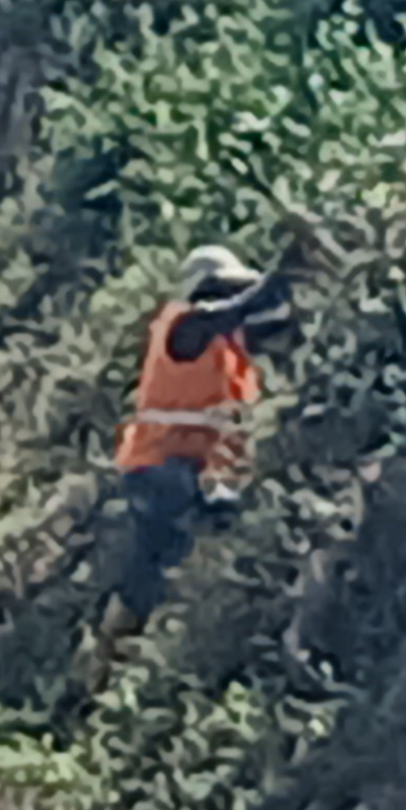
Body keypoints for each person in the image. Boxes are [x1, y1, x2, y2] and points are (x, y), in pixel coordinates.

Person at [100, 237, 313, 650]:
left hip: (191, 471)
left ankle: (126, 649)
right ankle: (113, 652)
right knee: (161, 559)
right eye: (222, 289)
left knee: (160, 566)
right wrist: (285, 271)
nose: (229, 297)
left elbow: (269, 319)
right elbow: (244, 307)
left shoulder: (226, 342)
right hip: (160, 466)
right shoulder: (186, 328)